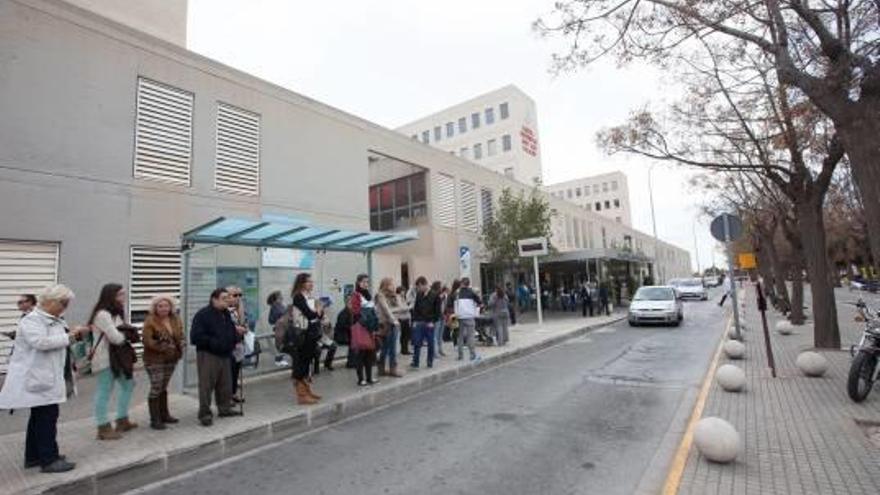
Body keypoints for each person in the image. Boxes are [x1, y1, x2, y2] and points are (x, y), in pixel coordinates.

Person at [0, 285, 87, 473]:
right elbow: (40, 343)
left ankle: (33, 457)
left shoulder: (54, 320)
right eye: (63, 303)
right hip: (39, 377)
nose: (65, 307)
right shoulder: (32, 320)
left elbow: (58, 341)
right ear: (50, 302)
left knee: (39, 418)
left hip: (48, 376)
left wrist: (72, 336)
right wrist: (70, 336)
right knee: (46, 418)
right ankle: (49, 459)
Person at [88, 283, 138, 440]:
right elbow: (115, 338)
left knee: (129, 384)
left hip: (117, 359)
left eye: (123, 294)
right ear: (110, 296)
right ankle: (103, 427)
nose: (123, 297)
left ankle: (122, 419)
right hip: (105, 359)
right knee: (104, 391)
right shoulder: (103, 314)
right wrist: (127, 335)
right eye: (120, 295)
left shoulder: (115, 313)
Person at [190, 288, 244, 426]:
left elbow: (231, 331)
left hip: (225, 354)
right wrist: (215, 343)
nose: (228, 300)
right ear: (214, 299)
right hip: (208, 354)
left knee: (225, 384)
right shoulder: (203, 315)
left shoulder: (226, 314)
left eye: (228, 298)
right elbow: (196, 336)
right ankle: (205, 413)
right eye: (224, 298)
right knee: (206, 385)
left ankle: (224, 408)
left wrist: (237, 337)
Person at [141, 294, 183, 430]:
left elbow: (180, 334)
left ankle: (164, 414)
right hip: (154, 359)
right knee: (156, 386)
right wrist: (163, 347)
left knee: (164, 386)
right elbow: (147, 341)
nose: (164, 308)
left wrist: (181, 342)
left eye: (166, 305)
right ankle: (155, 419)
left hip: (172, 357)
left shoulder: (175, 319)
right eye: (160, 306)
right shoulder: (150, 321)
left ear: (171, 307)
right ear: (155, 307)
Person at [290, 273, 325, 403]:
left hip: (311, 332)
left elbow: (318, 316)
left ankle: (307, 390)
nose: (311, 284)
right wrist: (318, 309)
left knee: (307, 362)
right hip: (303, 333)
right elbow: (310, 314)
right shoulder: (298, 297)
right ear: (301, 283)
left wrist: (318, 311)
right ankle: (301, 395)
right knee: (302, 362)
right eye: (308, 282)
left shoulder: (309, 297)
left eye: (312, 281)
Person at [350, 274, 379, 386]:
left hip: (369, 327)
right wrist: (366, 321)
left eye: (367, 282)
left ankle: (369, 377)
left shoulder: (368, 295)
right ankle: (361, 379)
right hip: (361, 326)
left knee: (369, 353)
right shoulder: (356, 295)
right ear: (358, 282)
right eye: (364, 282)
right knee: (361, 353)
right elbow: (356, 312)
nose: (366, 284)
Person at [226, 286, 250, 404]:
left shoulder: (239, 309)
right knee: (228, 371)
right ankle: (226, 396)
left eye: (240, 295)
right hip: (228, 345)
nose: (239, 298)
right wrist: (236, 328)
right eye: (235, 295)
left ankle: (233, 393)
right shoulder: (223, 309)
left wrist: (245, 327)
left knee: (236, 370)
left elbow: (243, 322)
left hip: (239, 343)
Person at [376, 278, 403, 378]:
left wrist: (396, 296)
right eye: (391, 284)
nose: (393, 286)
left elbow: (401, 307)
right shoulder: (380, 295)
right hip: (386, 324)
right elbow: (386, 310)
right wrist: (394, 320)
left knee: (387, 347)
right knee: (389, 348)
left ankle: (382, 368)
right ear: (386, 285)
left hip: (392, 324)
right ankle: (391, 369)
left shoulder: (392, 296)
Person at [410, 276, 440, 368]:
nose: (418, 289)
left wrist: (433, 321)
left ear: (424, 285)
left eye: (419, 287)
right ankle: (415, 362)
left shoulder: (434, 295)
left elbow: (437, 311)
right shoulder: (419, 294)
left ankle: (429, 361)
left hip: (429, 322)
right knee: (417, 343)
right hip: (419, 322)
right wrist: (414, 321)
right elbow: (416, 309)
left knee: (430, 343)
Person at [452, 277, 482, 362]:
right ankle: (472, 355)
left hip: (460, 317)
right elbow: (479, 302)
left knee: (460, 336)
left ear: (461, 283)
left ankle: (460, 355)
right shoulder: (471, 292)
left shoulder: (456, 293)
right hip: (469, 316)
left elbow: (453, 303)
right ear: (468, 284)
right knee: (470, 336)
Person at [267, 291, 290, 367]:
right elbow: (279, 315)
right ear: (277, 298)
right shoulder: (276, 305)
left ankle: (280, 359)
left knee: (281, 343)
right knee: (280, 343)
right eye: (280, 296)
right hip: (280, 327)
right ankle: (279, 360)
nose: (282, 297)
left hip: (281, 327)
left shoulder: (278, 305)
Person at [396, 286, 413, 355]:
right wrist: (409, 307)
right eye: (403, 291)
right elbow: (401, 308)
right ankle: (403, 350)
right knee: (402, 335)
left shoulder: (403, 298)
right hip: (401, 318)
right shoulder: (398, 298)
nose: (404, 292)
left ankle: (405, 349)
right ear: (400, 291)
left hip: (406, 318)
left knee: (406, 335)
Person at [432, 282, 447, 356]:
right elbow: (436, 308)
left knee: (440, 335)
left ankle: (440, 349)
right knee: (435, 335)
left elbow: (444, 306)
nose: (441, 288)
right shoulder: (434, 295)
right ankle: (435, 352)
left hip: (442, 316)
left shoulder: (442, 296)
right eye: (440, 286)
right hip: (437, 317)